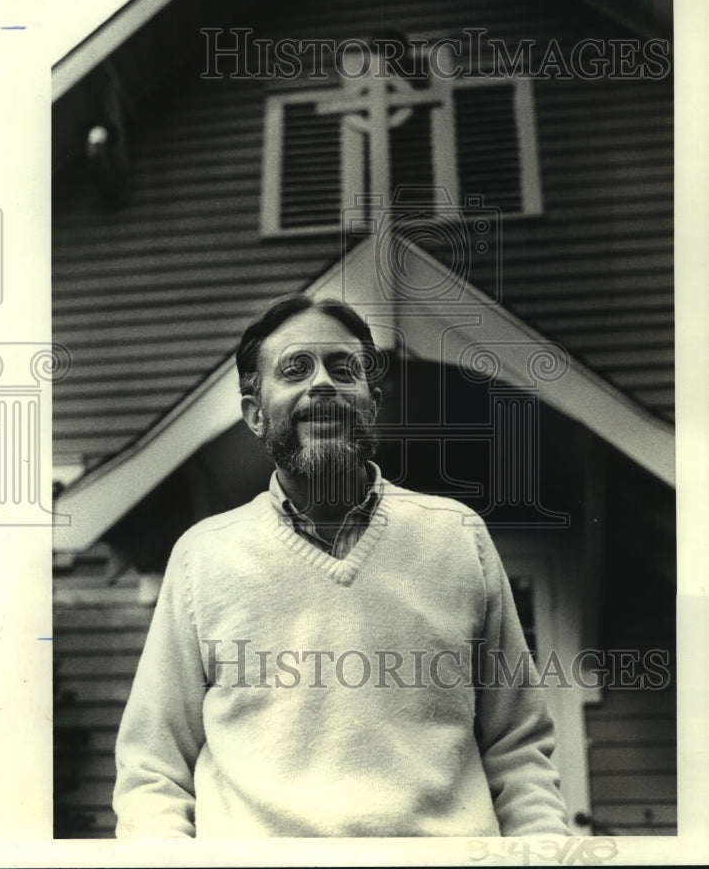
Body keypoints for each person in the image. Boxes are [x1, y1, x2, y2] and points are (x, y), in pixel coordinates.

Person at [113, 293, 570, 838]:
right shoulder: (203, 556)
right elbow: (152, 771)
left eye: (343, 368)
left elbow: (518, 750)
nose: (323, 384)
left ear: (371, 403)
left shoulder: (457, 536)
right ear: (256, 415)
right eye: (295, 369)